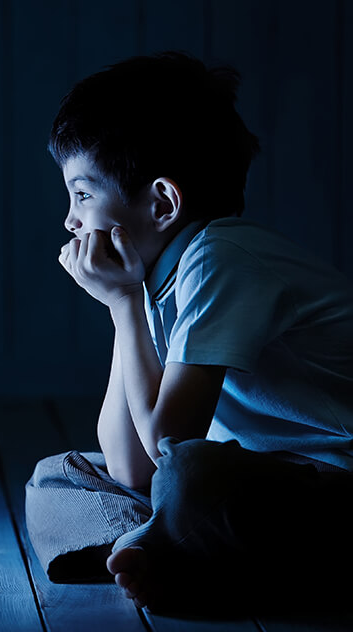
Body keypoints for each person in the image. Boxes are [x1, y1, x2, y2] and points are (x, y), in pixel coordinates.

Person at [25, 51, 353, 613]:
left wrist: (125, 300)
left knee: (189, 479)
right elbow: (130, 465)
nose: (70, 221)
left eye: (82, 194)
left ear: (162, 202)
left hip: (330, 486)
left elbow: (166, 448)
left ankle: (187, 564)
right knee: (58, 478)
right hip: (259, 476)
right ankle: (175, 553)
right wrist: (122, 305)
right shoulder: (160, 280)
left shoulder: (220, 258)